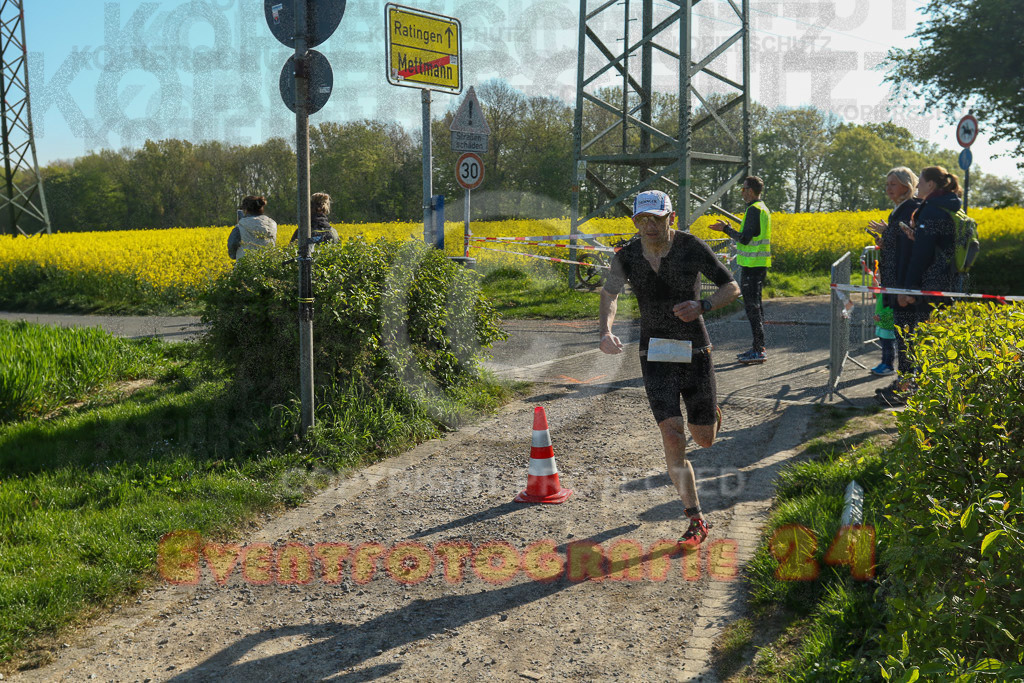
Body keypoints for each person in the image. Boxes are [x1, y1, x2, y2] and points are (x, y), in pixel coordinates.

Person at [599, 190, 740, 546]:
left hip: (695, 348)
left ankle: (711, 416)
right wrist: (606, 330)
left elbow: (732, 286)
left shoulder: (691, 246)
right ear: (634, 221)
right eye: (641, 219)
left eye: (656, 219)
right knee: (672, 435)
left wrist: (703, 304)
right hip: (654, 352)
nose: (648, 225)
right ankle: (695, 518)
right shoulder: (628, 255)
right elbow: (610, 294)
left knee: (703, 439)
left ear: (670, 218)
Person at [878, 165, 963, 407]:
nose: (917, 187)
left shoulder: (928, 210)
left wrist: (907, 290)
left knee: (912, 339)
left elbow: (918, 255)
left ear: (930, 185)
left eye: (920, 182)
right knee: (915, 339)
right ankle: (912, 388)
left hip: (922, 286)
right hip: (926, 284)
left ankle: (913, 391)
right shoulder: (934, 207)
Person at [707, 176, 771, 364]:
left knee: (752, 309)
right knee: (755, 308)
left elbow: (744, 239)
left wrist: (726, 229)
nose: (742, 192)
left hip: (752, 267)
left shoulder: (753, 210)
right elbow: (750, 236)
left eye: (743, 189)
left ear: (750, 191)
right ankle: (758, 348)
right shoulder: (762, 208)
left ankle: (759, 350)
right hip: (757, 265)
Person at [865, 167, 921, 381]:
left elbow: (908, 247)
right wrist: (885, 238)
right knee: (902, 332)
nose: (888, 188)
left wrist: (888, 235)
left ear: (906, 186)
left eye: (893, 184)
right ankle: (905, 378)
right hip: (895, 281)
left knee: (905, 333)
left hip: (902, 283)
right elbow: (899, 241)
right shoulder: (900, 209)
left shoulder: (910, 209)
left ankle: (906, 380)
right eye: (887, 184)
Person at [228, 195, 277, 261]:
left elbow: (232, 246)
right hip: (268, 266)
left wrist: (235, 256)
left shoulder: (240, 227)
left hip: (246, 268)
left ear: (245, 210)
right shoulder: (272, 224)